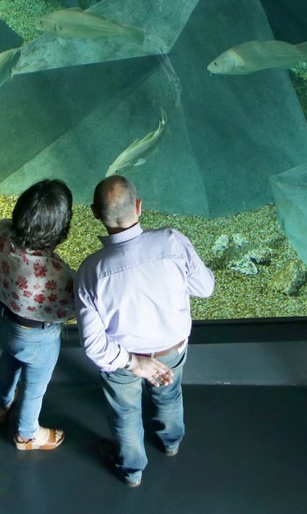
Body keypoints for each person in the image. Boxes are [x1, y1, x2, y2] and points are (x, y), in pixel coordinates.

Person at [75, 175, 215, 486]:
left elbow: (95, 346)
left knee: (125, 414)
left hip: (121, 363)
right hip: (172, 351)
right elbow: (205, 288)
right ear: (139, 207)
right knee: (169, 397)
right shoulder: (172, 242)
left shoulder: (89, 272)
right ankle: (171, 444)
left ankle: (132, 471)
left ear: (95, 214)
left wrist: (135, 363)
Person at [0, 179, 75, 450]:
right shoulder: (55, 273)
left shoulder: (1, 230)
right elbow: (69, 309)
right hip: (33, 338)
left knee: (9, 361)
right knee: (34, 387)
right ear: (60, 229)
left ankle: (1, 408)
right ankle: (27, 434)